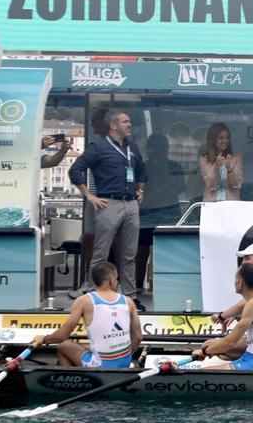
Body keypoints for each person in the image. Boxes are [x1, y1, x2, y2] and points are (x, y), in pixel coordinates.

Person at [68, 109, 147, 311]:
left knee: (129, 254)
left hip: (130, 203)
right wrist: (89, 195)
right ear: (113, 125)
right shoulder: (99, 147)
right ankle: (95, 295)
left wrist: (140, 190)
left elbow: (141, 171)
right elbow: (75, 170)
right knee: (100, 253)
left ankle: (130, 296)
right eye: (126, 121)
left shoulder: (132, 147)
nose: (130, 125)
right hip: (108, 203)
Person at [33, 262, 142, 367]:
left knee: (63, 346)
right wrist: (123, 357)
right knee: (86, 346)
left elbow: (61, 336)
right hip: (125, 363)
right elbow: (137, 337)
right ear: (111, 279)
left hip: (100, 365)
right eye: (117, 278)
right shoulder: (128, 301)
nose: (117, 281)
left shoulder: (83, 301)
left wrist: (44, 339)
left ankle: (73, 381)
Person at [192, 263, 253, 370]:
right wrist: (210, 349)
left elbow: (230, 342)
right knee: (209, 344)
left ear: (240, 282)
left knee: (203, 372)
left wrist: (204, 352)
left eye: (235, 279)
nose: (234, 282)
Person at [137, 134, 185, 293]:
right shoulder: (144, 166)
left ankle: (165, 286)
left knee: (164, 250)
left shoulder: (174, 166)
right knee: (142, 251)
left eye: (160, 146)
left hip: (167, 212)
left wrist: (157, 191)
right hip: (148, 213)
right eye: (155, 146)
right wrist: (162, 189)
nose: (157, 150)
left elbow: (180, 186)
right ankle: (138, 286)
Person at [199, 122, 243, 202]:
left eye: (227, 137)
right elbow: (212, 185)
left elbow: (236, 184)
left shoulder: (236, 158)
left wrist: (229, 170)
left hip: (231, 204)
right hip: (212, 204)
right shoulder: (205, 159)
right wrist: (217, 168)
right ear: (213, 139)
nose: (225, 141)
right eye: (221, 138)